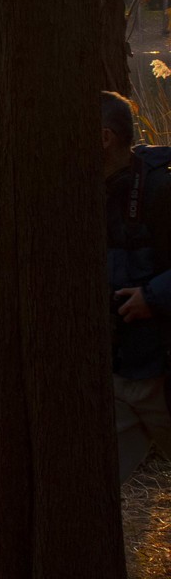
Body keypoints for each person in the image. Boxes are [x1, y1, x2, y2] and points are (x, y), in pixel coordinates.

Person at [103, 90, 171, 481]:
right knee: (91, 486)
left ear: (104, 137)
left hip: (161, 375)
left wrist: (153, 296)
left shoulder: (161, 189)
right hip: (116, 376)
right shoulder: (84, 192)